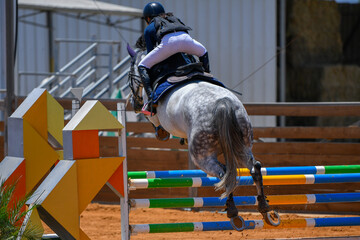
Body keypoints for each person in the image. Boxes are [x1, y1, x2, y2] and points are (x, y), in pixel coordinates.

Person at [138, 2, 211, 113]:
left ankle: (151, 100)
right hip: (186, 40)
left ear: (148, 18)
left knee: (142, 65)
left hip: (169, 44)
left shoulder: (150, 27)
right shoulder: (174, 19)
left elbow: (150, 52)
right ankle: (207, 77)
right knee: (203, 52)